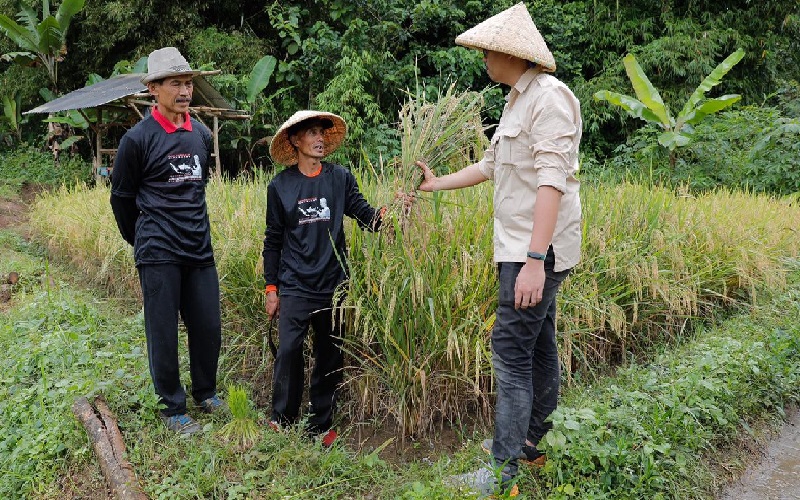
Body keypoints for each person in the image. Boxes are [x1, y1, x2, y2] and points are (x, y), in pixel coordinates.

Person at [416, 3, 582, 496]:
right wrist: (436, 183)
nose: (484, 57)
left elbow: (552, 183)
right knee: (538, 344)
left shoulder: (549, 99)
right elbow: (491, 165)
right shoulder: (516, 100)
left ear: (508, 52)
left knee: (510, 352)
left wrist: (535, 261)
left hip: (534, 251)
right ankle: (533, 445)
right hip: (519, 247)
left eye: (488, 49)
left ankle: (502, 469)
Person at [110, 47, 225, 435]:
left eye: (188, 83)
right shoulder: (137, 139)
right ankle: (172, 406)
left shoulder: (202, 135)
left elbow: (199, 188)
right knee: (162, 330)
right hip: (158, 248)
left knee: (208, 324)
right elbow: (122, 197)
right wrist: (142, 238)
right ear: (154, 89)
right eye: (175, 83)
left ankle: (205, 392)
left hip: (199, 246)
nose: (185, 91)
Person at [262, 110, 388, 447]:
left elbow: (366, 216)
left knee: (330, 354)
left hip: (334, 284)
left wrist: (388, 214)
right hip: (295, 283)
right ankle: (283, 417)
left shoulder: (339, 178)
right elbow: (273, 240)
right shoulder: (280, 187)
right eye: (312, 133)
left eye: (322, 133)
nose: (319, 139)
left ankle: (322, 422)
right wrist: (271, 287)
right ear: (295, 141)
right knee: (288, 349)